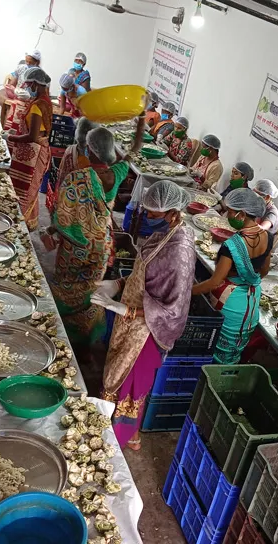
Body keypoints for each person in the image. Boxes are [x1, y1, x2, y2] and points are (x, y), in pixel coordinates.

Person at [92, 181, 196, 450]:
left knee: (130, 382)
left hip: (148, 329)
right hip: (132, 321)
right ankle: (120, 429)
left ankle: (125, 437)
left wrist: (128, 310)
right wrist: (118, 284)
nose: (147, 218)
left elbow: (173, 308)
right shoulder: (165, 234)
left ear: (173, 213)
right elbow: (145, 272)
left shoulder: (180, 251)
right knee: (116, 372)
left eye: (153, 214)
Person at [45, 121, 145, 351]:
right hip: (100, 246)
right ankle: (87, 341)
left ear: (89, 149)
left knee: (67, 287)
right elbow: (134, 150)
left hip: (74, 249)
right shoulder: (117, 173)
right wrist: (140, 121)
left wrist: (51, 231)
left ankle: (61, 333)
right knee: (91, 289)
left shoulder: (75, 179)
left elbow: (63, 220)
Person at [192, 189, 272, 364]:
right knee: (233, 352)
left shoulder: (232, 245)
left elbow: (215, 282)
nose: (227, 215)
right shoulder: (268, 236)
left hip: (230, 302)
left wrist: (189, 291)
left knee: (216, 350)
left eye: (230, 211)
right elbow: (264, 271)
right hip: (251, 303)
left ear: (242, 214)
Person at [5, 67, 53, 230]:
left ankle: (18, 227)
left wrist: (10, 137)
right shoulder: (45, 101)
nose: (28, 88)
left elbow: (32, 136)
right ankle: (23, 222)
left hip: (33, 152)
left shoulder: (38, 105)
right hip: (37, 150)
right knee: (29, 189)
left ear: (36, 84)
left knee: (25, 190)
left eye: (29, 84)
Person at [48, 117, 99, 214]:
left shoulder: (70, 149)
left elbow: (61, 175)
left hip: (63, 197)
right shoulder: (89, 159)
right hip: (77, 205)